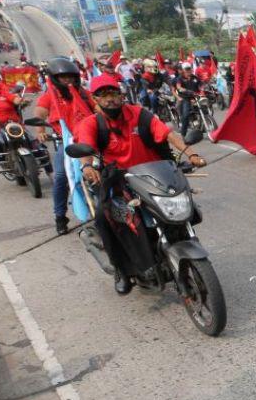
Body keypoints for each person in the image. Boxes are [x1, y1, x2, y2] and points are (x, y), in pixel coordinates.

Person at [73, 75, 206, 295]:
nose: (110, 100)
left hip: (153, 176)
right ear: (95, 99)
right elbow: (85, 148)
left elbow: (168, 134)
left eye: (114, 94)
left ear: (121, 95)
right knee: (103, 218)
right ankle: (121, 272)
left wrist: (191, 154)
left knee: (184, 205)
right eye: (103, 95)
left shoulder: (140, 114)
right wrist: (87, 167)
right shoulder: (91, 124)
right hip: (117, 181)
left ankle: (179, 243)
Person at [31, 57, 97, 235]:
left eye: (71, 77)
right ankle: (60, 216)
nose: (68, 80)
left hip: (92, 139)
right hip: (67, 142)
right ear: (54, 78)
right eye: (63, 77)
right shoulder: (49, 96)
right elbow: (40, 113)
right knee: (60, 176)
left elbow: (98, 109)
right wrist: (40, 131)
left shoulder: (84, 93)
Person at [174, 63, 202, 134]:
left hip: (195, 96)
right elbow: (178, 87)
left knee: (204, 108)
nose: (188, 70)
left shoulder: (195, 78)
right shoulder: (180, 78)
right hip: (185, 98)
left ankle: (204, 122)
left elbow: (201, 85)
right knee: (186, 115)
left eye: (189, 68)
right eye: (186, 69)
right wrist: (186, 90)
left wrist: (203, 89)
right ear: (183, 70)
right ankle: (184, 132)